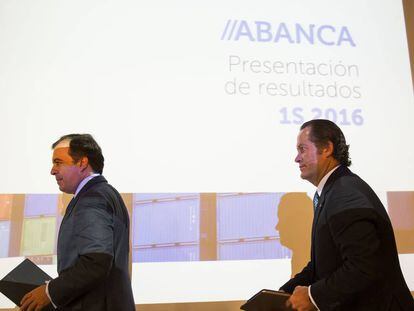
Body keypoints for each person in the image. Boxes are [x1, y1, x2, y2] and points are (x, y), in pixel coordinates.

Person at [280, 119, 414, 310]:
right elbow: (324, 264)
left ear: (326, 148)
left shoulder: (345, 194)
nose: (297, 158)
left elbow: (363, 266)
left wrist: (311, 296)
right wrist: (282, 294)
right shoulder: (332, 191)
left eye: (302, 149)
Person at [20, 134, 135, 311]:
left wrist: (49, 292)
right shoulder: (106, 193)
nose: (52, 170)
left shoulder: (93, 197)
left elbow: (97, 261)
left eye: (58, 162)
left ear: (82, 163)